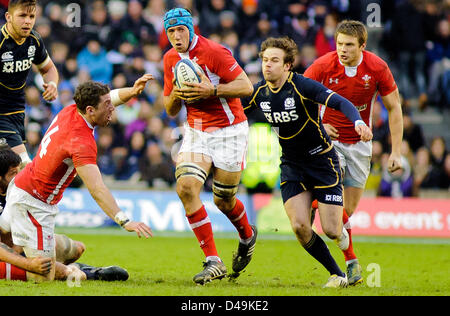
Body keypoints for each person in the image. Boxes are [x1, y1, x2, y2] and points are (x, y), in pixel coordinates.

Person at [242, 37, 373, 288]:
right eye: (265, 60)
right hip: (292, 165)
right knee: (301, 227)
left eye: (274, 61)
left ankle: (350, 256)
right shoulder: (259, 92)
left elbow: (341, 102)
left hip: (322, 162)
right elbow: (234, 112)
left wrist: (358, 122)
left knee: (333, 230)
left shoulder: (303, 86)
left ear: (288, 65)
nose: (267, 65)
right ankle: (337, 274)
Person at [0, 74, 154, 282]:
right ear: (90, 111)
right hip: (33, 204)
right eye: (107, 105)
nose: (113, 108)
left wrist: (133, 91)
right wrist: (125, 221)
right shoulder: (81, 142)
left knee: (74, 249)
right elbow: (97, 189)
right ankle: (80, 271)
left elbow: (111, 97)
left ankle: (62, 262)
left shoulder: (71, 110)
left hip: (22, 187)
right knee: (43, 277)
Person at [304, 20, 403, 285]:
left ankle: (316, 204)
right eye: (339, 44)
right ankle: (351, 261)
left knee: (344, 212)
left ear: (362, 45)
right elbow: (300, 96)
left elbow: (394, 108)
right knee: (332, 217)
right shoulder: (323, 65)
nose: (343, 50)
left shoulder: (377, 67)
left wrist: (396, 151)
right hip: (329, 144)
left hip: (360, 145)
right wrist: (321, 125)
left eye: (349, 45)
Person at [162, 8, 256, 284]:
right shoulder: (169, 59)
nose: (176, 36)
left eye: (181, 30)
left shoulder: (215, 51)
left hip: (229, 131)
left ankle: (247, 235)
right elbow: (169, 108)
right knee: (186, 187)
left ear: (191, 29)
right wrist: (176, 95)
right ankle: (213, 261)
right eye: (171, 31)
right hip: (196, 131)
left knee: (223, 200)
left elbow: (246, 86)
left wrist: (212, 90)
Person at [0, 145, 130, 282]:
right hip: (6, 254)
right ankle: (89, 273)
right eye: (13, 173)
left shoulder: (20, 189)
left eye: (19, 171)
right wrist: (29, 264)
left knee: (77, 248)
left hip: (20, 244)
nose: (18, 177)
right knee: (52, 272)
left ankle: (74, 267)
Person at [0, 0, 59, 167]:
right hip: (1, 114)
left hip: (18, 113)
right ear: (8, 17)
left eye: (31, 16)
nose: (27, 21)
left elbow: (48, 69)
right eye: (22, 15)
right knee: (23, 165)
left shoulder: (34, 40)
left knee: (7, 172)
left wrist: (53, 84)